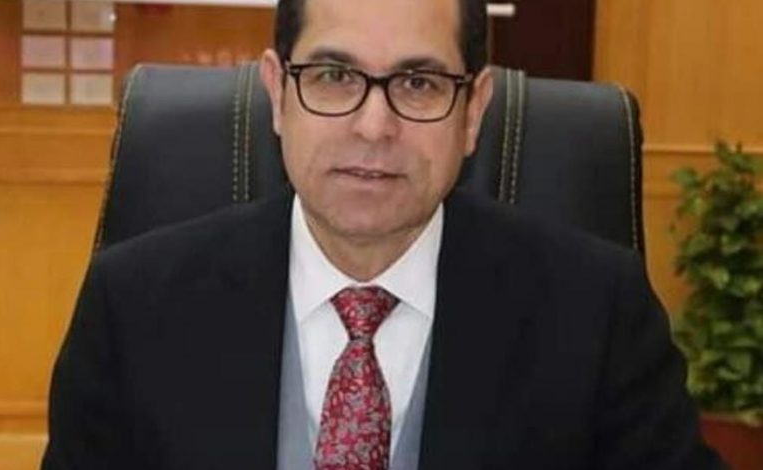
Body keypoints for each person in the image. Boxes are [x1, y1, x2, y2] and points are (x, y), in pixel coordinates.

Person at [42, 0, 727, 468]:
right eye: (335, 77)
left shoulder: (598, 314)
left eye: (419, 83)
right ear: (278, 94)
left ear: (473, 110)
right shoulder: (132, 307)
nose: (374, 127)